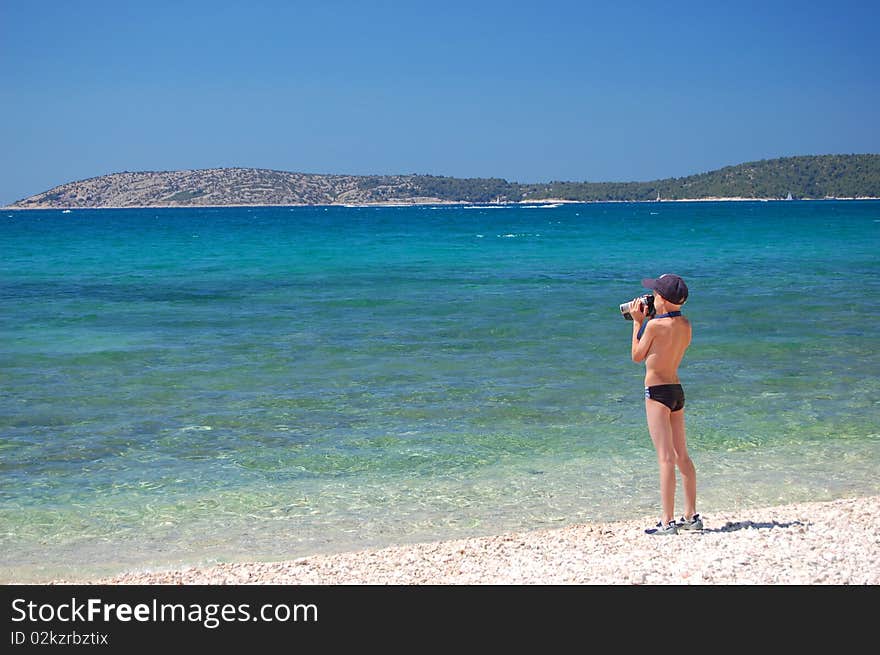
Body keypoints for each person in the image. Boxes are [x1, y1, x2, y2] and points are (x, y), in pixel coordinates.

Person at [628, 273, 701, 535]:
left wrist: (637, 324)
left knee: (665, 458)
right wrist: (654, 318)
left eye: (655, 294)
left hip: (657, 392)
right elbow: (668, 345)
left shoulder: (654, 326)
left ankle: (667, 521)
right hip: (676, 390)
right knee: (682, 455)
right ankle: (692, 516)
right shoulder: (686, 325)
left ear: (661, 298)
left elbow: (637, 356)